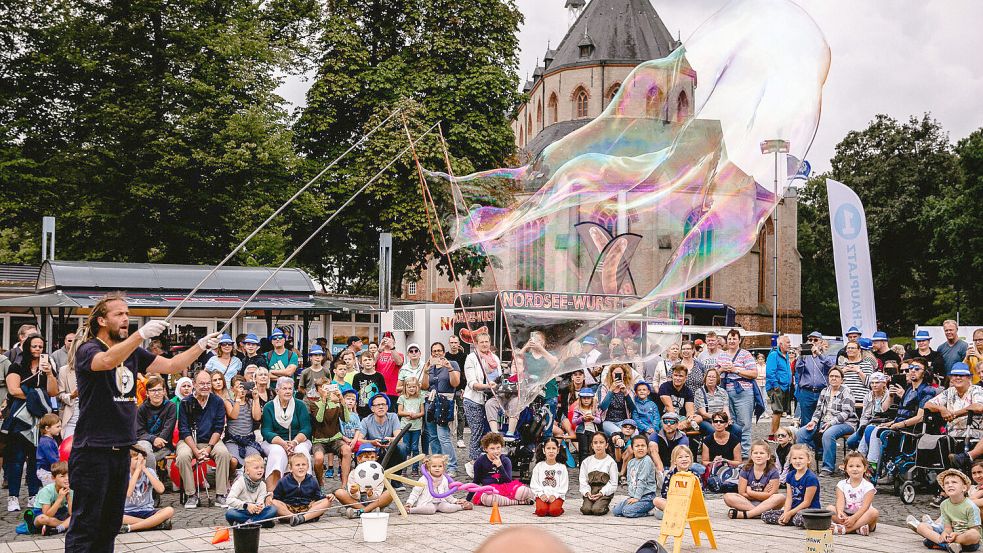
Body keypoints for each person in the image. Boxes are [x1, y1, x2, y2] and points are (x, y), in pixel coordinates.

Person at [4, 333, 59, 511]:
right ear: (27, 346)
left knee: (36, 457)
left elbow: (52, 392)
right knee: (16, 458)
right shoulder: (17, 365)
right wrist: (36, 395)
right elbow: (13, 390)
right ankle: (13, 496)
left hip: (39, 418)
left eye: (40, 347)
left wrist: (49, 373)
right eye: (34, 346)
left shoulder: (47, 366)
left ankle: (33, 494)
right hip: (20, 417)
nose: (37, 349)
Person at [862, 357, 935, 472]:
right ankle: (861, 461)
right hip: (900, 424)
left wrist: (898, 425)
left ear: (924, 372)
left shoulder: (927, 391)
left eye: (917, 368)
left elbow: (920, 417)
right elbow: (901, 412)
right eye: (911, 368)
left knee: (877, 431)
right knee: (873, 427)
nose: (912, 371)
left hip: (912, 428)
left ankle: (873, 466)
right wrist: (890, 423)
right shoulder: (909, 389)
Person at [176, 369, 232, 508]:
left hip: (210, 441)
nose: (206, 386)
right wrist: (195, 450)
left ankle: (220, 494)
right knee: (182, 456)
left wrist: (208, 448)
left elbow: (218, 428)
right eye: (202, 383)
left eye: (208, 383)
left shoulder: (217, 401)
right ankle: (191, 495)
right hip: (189, 441)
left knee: (224, 454)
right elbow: (183, 429)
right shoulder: (185, 402)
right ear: (194, 384)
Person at [796, 367, 857, 476]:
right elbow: (818, 410)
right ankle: (806, 462)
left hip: (846, 423)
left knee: (828, 434)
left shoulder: (847, 391)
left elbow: (846, 412)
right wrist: (813, 422)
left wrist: (831, 423)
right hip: (825, 422)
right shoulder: (825, 391)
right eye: (831, 376)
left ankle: (828, 467)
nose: (834, 378)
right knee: (801, 433)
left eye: (837, 376)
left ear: (842, 379)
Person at [926, 363, 983, 468]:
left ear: (969, 377)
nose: (957, 377)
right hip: (952, 435)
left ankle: (968, 457)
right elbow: (927, 404)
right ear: (951, 378)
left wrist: (955, 414)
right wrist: (942, 409)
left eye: (961, 375)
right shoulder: (949, 391)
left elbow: (979, 407)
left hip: (974, 433)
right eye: (955, 375)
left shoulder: (976, 389)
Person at [261, 377, 312, 490]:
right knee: (277, 452)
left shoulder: (300, 405)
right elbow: (266, 431)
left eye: (290, 388)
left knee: (301, 451)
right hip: (275, 442)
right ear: (277, 390)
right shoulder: (269, 407)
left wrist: (294, 442)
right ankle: (273, 490)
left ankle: (305, 488)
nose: (288, 391)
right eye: (284, 388)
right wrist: (283, 443)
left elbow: (306, 428)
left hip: (298, 440)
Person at [913, 469, 982, 552]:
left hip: (965, 540)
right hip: (950, 535)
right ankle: (949, 546)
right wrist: (945, 533)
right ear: (944, 489)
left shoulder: (971, 506)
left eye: (954, 482)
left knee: (974, 535)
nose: (950, 485)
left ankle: (941, 544)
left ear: (963, 488)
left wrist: (957, 535)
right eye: (946, 483)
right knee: (921, 526)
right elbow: (947, 528)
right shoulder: (944, 504)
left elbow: (974, 530)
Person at [717, 328, 758, 457]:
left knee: (744, 423)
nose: (732, 341)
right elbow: (715, 374)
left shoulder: (746, 354)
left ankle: (745, 453)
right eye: (729, 338)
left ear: (739, 340)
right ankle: (734, 451)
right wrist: (722, 369)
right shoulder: (722, 355)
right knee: (730, 422)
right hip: (726, 391)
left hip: (743, 391)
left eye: (734, 338)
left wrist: (736, 370)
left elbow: (754, 373)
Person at [422, 340, 461, 474]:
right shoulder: (430, 367)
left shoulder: (453, 364)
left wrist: (449, 368)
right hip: (431, 401)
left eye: (439, 351)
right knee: (433, 436)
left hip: (444, 403)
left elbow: (455, 383)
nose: (437, 353)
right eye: (434, 351)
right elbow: (424, 386)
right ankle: (437, 465)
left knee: (443, 436)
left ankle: (451, 466)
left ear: (444, 352)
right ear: (431, 353)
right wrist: (426, 372)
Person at [762, 443, 820, 527]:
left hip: (808, 511)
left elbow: (806, 502)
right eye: (794, 458)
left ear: (808, 460)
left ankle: (789, 519)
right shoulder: (790, 475)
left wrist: (789, 513)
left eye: (801, 458)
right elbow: (789, 498)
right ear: (790, 460)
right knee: (765, 515)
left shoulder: (811, 478)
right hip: (793, 509)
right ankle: (786, 519)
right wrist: (786, 513)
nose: (797, 461)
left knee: (799, 519)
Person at [470, 432, 534, 507]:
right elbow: (476, 481)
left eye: (498, 448)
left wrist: (500, 466)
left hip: (506, 487)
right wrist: (468, 499)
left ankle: (505, 500)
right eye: (492, 448)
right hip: (490, 490)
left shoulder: (506, 460)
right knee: (488, 499)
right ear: (485, 449)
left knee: (524, 491)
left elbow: (508, 481)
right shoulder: (480, 461)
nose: (496, 451)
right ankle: (518, 502)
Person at [723, 440, 784, 519]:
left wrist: (750, 492)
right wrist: (762, 494)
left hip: (768, 503)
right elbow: (742, 493)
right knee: (728, 496)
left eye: (762, 453)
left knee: (780, 497)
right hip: (747, 502)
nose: (758, 456)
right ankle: (761, 513)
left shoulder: (773, 471)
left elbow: (770, 495)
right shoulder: (745, 470)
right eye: (755, 453)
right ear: (751, 456)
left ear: (768, 456)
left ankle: (748, 514)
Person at [307, 381, 352, 486]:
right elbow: (319, 419)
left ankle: (344, 484)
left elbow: (346, 419)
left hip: (335, 439)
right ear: (318, 390)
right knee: (318, 458)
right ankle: (321, 484)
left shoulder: (336, 403)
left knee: (347, 450)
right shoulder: (314, 404)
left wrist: (341, 400)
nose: (327, 390)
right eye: (324, 388)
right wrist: (323, 401)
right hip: (319, 440)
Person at [120, 445, 174, 533]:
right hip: (128, 512)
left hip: (147, 511)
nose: (140, 462)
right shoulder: (124, 473)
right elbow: (128, 493)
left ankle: (131, 528)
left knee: (169, 510)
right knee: (116, 517)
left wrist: (145, 470)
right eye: (137, 459)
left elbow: (160, 489)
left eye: (143, 459)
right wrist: (137, 470)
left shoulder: (149, 471)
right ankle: (155, 524)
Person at [271, 452, 334, 526]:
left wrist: (327, 496)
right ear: (291, 468)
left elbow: (318, 498)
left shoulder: (312, 480)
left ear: (307, 467)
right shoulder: (283, 481)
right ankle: (293, 517)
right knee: (274, 502)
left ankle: (303, 518)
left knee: (327, 501)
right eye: (297, 465)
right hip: (289, 509)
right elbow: (277, 498)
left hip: (307, 509)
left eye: (303, 464)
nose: (301, 467)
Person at [463, 333, 498, 468]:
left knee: (487, 431)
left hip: (490, 400)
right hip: (473, 400)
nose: (484, 344)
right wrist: (487, 386)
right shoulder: (471, 358)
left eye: (487, 341)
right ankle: (473, 462)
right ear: (476, 344)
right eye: (481, 342)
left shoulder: (494, 358)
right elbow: (472, 383)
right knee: (477, 431)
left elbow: (498, 377)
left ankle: (487, 462)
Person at [334, 444, 394, 518]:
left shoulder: (379, 473)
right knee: (339, 492)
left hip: (374, 501)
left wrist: (370, 494)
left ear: (376, 458)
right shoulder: (353, 473)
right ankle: (368, 511)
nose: (369, 459)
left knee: (390, 492)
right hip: (357, 502)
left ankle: (362, 511)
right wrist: (354, 491)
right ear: (359, 459)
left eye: (372, 457)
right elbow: (353, 496)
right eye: (366, 457)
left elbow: (377, 495)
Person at [828, 451, 879, 535]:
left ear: (865, 468)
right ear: (845, 468)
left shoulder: (868, 486)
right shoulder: (841, 484)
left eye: (858, 466)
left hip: (863, 515)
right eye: (851, 466)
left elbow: (865, 507)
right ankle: (857, 528)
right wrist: (840, 511)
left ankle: (847, 529)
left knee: (874, 512)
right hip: (846, 515)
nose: (854, 469)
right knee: (830, 509)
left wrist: (854, 518)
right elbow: (840, 500)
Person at [354, 393, 404, 475]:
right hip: (374, 449)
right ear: (372, 408)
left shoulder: (393, 417)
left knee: (402, 447)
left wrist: (390, 440)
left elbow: (399, 438)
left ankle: (396, 482)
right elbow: (359, 439)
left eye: (383, 404)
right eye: (377, 405)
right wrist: (372, 442)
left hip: (390, 449)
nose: (381, 407)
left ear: (387, 407)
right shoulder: (366, 421)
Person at [406, 454, 471, 515]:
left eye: (440, 466)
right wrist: (409, 503)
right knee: (430, 510)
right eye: (434, 466)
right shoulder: (424, 479)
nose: (437, 468)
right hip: (427, 502)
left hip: (440, 502)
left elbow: (446, 494)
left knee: (448, 508)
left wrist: (455, 501)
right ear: (429, 468)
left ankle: (462, 507)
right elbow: (415, 493)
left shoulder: (444, 479)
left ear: (443, 468)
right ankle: (410, 510)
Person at [135, 375, 177, 469]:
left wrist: (158, 440)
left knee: (145, 457)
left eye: (159, 390)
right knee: (145, 449)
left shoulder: (171, 407)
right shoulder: (142, 409)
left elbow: (168, 429)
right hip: (147, 442)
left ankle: (150, 481)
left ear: (164, 391)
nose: (156, 393)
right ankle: (152, 481)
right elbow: (140, 432)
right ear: (147, 393)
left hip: (165, 444)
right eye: (153, 390)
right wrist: (153, 439)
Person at [224, 375, 264, 472]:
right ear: (233, 389)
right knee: (233, 461)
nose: (242, 390)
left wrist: (256, 399)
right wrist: (238, 399)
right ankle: (231, 477)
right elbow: (233, 415)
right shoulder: (228, 402)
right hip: (233, 439)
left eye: (243, 387)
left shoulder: (250, 402)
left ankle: (247, 477)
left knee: (256, 459)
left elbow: (257, 417)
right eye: (238, 387)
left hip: (248, 439)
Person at [612, 435, 658, 518]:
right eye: (637, 446)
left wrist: (637, 498)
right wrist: (632, 497)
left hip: (647, 497)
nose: (640, 448)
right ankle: (634, 506)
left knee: (627, 511)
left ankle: (649, 511)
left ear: (647, 448)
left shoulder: (647, 460)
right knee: (616, 511)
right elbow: (630, 480)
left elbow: (642, 480)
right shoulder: (631, 462)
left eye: (643, 446)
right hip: (635, 496)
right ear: (632, 449)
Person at [225, 454, 277, 528]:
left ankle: (250, 523)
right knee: (230, 513)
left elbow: (260, 502)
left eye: (262, 467)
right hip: (240, 510)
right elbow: (229, 500)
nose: (260, 470)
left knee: (273, 509)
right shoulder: (240, 482)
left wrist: (259, 508)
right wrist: (246, 506)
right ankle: (260, 522)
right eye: (256, 468)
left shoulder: (262, 484)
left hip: (253, 512)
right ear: (247, 471)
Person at [846, 372, 893, 451]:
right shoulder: (868, 396)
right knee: (850, 441)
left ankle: (867, 457)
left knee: (868, 436)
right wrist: (862, 427)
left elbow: (887, 412)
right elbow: (864, 415)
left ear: (884, 383)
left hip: (883, 423)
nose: (874, 385)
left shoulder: (890, 395)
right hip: (868, 423)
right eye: (872, 383)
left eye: (877, 382)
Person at [796, 333, 834, 426]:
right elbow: (799, 370)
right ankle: (806, 440)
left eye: (815, 340)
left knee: (821, 419)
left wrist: (819, 354)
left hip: (822, 392)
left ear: (821, 342)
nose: (812, 342)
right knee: (806, 420)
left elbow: (831, 367)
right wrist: (801, 356)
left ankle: (818, 440)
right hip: (807, 392)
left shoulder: (825, 355)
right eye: (810, 340)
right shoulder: (804, 356)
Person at [26, 461, 72, 536]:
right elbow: (47, 514)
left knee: (76, 516)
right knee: (42, 519)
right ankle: (66, 525)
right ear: (53, 478)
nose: (67, 479)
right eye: (62, 476)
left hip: (61, 512)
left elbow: (72, 513)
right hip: (43, 513)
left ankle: (57, 529)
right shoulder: (47, 491)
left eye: (68, 476)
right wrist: (60, 498)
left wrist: (69, 498)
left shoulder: (70, 489)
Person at [579, 432, 618, 515]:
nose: (598, 445)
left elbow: (613, 483)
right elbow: (583, 480)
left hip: (603, 493)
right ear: (592, 445)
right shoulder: (586, 462)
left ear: (606, 445)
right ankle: (590, 502)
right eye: (595, 443)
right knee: (586, 510)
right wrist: (587, 492)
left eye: (601, 442)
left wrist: (602, 493)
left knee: (597, 510)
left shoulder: (610, 462)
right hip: (591, 491)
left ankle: (604, 506)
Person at [653, 445, 699, 515]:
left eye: (687, 456)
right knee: (656, 500)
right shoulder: (671, 475)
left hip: (689, 503)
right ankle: (677, 512)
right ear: (674, 461)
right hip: (674, 502)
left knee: (660, 514)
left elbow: (700, 492)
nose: (684, 459)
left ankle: (674, 513)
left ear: (691, 459)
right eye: (680, 457)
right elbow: (664, 492)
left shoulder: (695, 475)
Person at [530, 437, 569, 517]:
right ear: (544, 450)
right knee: (541, 511)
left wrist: (555, 495)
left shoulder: (562, 467)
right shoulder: (539, 466)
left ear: (558, 450)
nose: (551, 451)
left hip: (556, 496)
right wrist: (541, 494)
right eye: (548, 448)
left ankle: (559, 509)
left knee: (554, 511)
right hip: (542, 496)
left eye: (554, 448)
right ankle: (543, 507)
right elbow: (534, 484)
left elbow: (563, 486)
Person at [766, 335, 793, 440]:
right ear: (781, 344)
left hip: (785, 387)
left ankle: (775, 433)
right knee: (777, 411)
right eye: (787, 342)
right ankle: (773, 435)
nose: (789, 344)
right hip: (777, 387)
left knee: (780, 411)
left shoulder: (785, 355)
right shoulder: (774, 355)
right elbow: (770, 372)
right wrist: (776, 386)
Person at [657, 364, 700, 432]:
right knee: (671, 422)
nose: (677, 378)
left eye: (680, 376)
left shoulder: (688, 391)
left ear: (685, 378)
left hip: (682, 419)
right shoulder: (664, 387)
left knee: (699, 418)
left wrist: (688, 419)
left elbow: (690, 411)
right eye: (675, 375)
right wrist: (678, 423)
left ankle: (678, 428)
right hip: (667, 418)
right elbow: (669, 408)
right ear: (672, 376)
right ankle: (679, 428)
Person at [397, 376, 425, 474]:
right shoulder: (402, 398)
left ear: (417, 387)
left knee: (415, 448)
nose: (412, 389)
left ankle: (415, 468)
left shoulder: (420, 398)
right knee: (406, 448)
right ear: (405, 388)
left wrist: (416, 415)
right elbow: (400, 412)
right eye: (409, 387)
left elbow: (422, 412)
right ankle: (404, 467)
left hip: (416, 427)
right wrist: (409, 414)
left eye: (414, 387)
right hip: (405, 427)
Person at [445, 335, 469, 449]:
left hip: (460, 388)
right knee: (446, 414)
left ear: (458, 343)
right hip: (447, 389)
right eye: (452, 342)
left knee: (460, 414)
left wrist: (465, 388)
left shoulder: (464, 356)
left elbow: (466, 374)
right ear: (449, 343)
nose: (454, 345)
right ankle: (447, 437)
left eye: (455, 342)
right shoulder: (445, 356)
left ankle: (460, 438)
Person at [599, 364, 635, 435]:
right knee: (619, 432)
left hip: (623, 421)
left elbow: (632, 408)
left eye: (620, 374)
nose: (618, 375)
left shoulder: (628, 387)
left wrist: (626, 393)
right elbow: (603, 407)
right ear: (611, 374)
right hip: (607, 421)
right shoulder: (604, 387)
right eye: (615, 373)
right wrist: (610, 391)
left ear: (623, 374)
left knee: (635, 433)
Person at [695, 368, 732, 436]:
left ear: (717, 379)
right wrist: (717, 419)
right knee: (713, 430)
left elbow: (726, 410)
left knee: (737, 429)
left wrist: (727, 419)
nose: (711, 379)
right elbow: (703, 413)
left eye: (713, 377)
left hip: (721, 420)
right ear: (705, 378)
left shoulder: (722, 392)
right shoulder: (699, 392)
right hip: (706, 420)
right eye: (709, 376)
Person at [838, 341, 873, 412]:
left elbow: (870, 384)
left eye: (853, 348)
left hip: (861, 402)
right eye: (848, 348)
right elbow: (835, 384)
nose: (850, 350)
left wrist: (859, 371)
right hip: (844, 402)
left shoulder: (867, 365)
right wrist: (842, 372)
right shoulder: (841, 366)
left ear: (859, 350)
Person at [56, 343, 80, 439]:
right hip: (72, 415)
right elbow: (60, 395)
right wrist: (72, 395)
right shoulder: (64, 370)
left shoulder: (97, 369)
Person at [352, 352, 387, 418]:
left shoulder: (379, 376)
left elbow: (383, 393)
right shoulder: (357, 376)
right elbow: (354, 395)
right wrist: (354, 409)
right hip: (361, 411)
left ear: (374, 362)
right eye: (365, 360)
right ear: (361, 364)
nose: (368, 362)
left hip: (376, 411)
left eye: (370, 359)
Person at [375, 334, 404, 410]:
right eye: (386, 338)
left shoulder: (399, 354)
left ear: (394, 341)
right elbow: (371, 363)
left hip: (392, 391)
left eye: (390, 339)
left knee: (391, 415)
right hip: (378, 391)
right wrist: (379, 349)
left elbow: (399, 362)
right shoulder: (378, 354)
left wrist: (392, 347)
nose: (387, 340)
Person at [571, 388, 601, 462]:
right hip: (582, 431)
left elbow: (599, 421)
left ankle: (591, 466)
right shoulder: (577, 409)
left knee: (591, 450)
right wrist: (582, 419)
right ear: (580, 399)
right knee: (583, 450)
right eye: (584, 398)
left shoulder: (594, 409)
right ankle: (582, 467)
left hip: (592, 431)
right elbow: (574, 421)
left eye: (588, 398)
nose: (586, 400)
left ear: (592, 399)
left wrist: (592, 418)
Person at [36, 413, 62, 487]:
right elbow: (52, 458)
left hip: (49, 470)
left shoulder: (49, 439)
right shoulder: (46, 442)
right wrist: (61, 466)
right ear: (47, 428)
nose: (60, 428)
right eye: (57, 426)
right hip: (46, 471)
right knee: (50, 489)